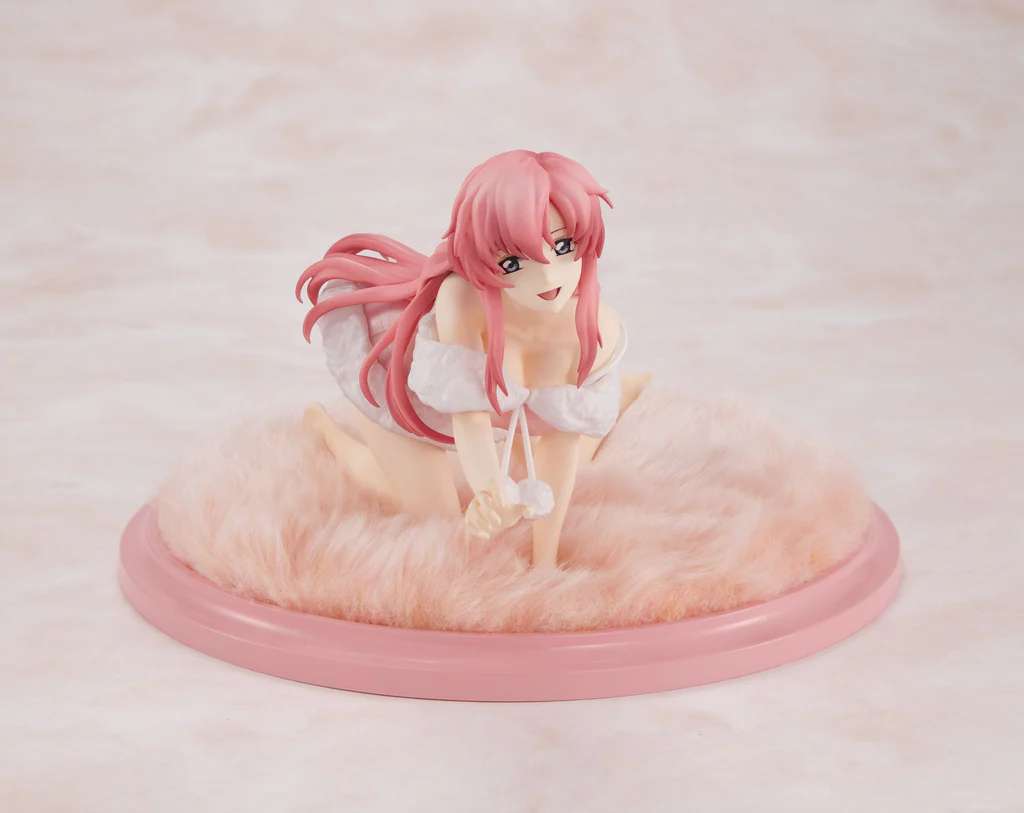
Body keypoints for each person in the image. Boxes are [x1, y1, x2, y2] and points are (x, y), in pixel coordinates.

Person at [296, 150, 649, 568]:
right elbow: (470, 419)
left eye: (563, 245)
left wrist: (544, 562)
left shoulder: (597, 330)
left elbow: (561, 446)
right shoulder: (461, 299)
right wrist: (490, 493)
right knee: (436, 520)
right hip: (411, 397)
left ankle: (618, 393)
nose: (548, 276)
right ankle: (326, 429)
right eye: (513, 262)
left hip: (518, 410)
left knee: (566, 445)